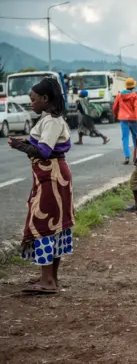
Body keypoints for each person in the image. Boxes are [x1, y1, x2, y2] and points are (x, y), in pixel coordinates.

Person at [8, 77, 74, 294]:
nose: (31, 103)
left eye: (34, 99)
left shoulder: (52, 122)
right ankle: (50, 277)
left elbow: (45, 151)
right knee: (54, 224)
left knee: (45, 223)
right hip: (51, 176)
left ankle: (47, 281)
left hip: (52, 177)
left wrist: (19, 146)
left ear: (45, 99)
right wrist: (26, 143)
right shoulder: (50, 120)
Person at [113, 78, 137, 165]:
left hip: (123, 119)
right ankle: (136, 156)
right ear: (133, 86)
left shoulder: (119, 95)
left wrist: (116, 115)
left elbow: (115, 107)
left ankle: (127, 156)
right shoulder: (135, 96)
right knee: (135, 137)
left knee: (125, 138)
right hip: (133, 119)